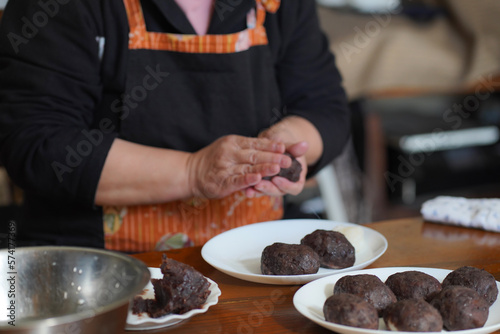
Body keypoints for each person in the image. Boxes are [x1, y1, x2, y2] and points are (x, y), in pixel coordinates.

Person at [0, 0, 349, 253]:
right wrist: (193, 172)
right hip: (97, 266)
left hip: (253, 257)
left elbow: (325, 107)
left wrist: (284, 144)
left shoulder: (277, 5)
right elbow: (36, 143)